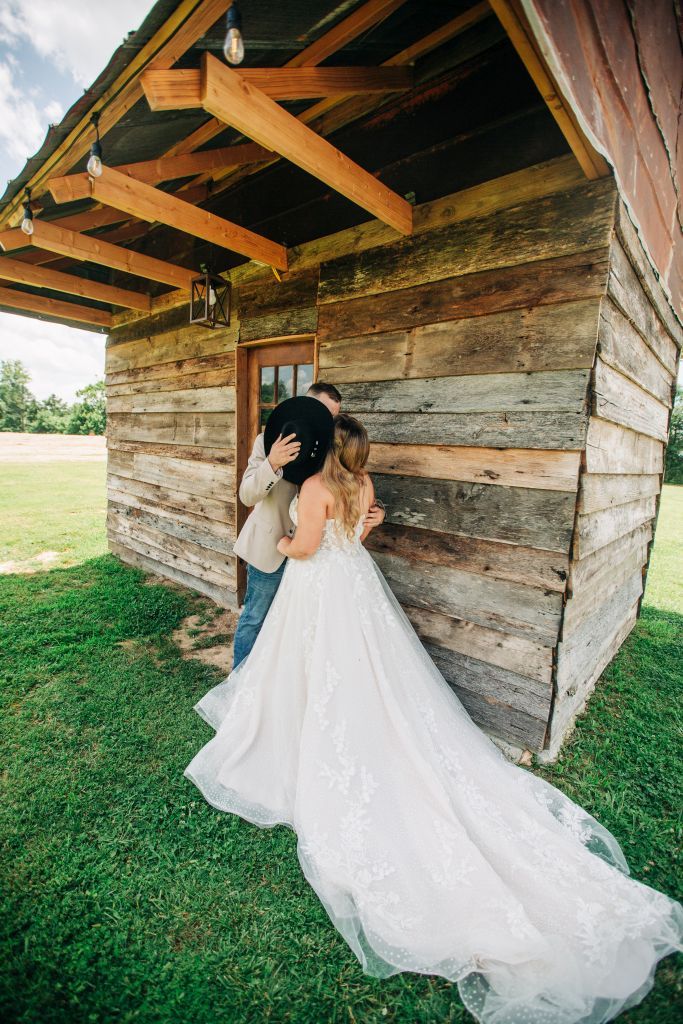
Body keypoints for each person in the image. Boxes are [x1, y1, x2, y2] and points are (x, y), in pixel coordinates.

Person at [184, 414, 683, 1024]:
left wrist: (284, 544)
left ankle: (306, 737)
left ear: (326, 449)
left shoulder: (314, 490)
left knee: (318, 668)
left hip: (317, 586)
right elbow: (355, 540)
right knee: (364, 671)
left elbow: (307, 548)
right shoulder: (363, 488)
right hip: (355, 585)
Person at [231, 381, 385, 669]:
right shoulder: (267, 441)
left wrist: (376, 513)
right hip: (272, 546)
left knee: (297, 628)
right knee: (255, 618)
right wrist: (272, 464)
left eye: (332, 417)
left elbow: (348, 490)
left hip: (313, 560)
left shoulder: (330, 447)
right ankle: (239, 684)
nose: (327, 422)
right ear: (306, 404)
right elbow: (247, 495)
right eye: (323, 412)